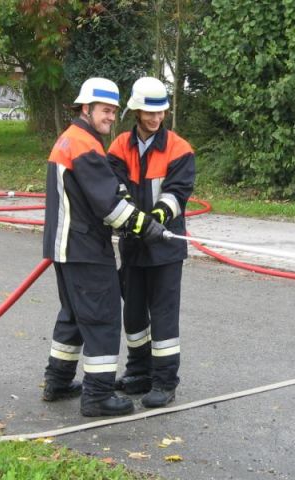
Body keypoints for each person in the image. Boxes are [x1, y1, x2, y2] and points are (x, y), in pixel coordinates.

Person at [42, 77, 167, 417]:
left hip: (65, 247)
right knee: (102, 318)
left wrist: (127, 205)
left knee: (73, 315)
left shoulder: (72, 138)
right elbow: (109, 206)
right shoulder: (84, 144)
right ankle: (97, 396)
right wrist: (146, 227)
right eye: (105, 110)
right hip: (85, 248)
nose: (110, 117)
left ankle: (57, 381)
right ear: (86, 108)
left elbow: (102, 190)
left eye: (113, 111)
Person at [108, 77, 196, 408]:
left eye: (160, 112)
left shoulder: (179, 148)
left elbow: (177, 192)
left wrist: (156, 218)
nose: (156, 118)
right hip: (133, 246)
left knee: (163, 316)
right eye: (149, 112)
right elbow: (115, 189)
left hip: (165, 248)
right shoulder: (119, 147)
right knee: (133, 316)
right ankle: (139, 373)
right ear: (136, 111)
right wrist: (135, 222)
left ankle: (164, 381)